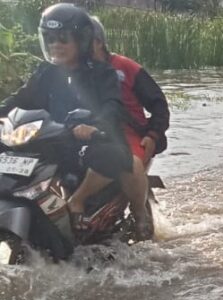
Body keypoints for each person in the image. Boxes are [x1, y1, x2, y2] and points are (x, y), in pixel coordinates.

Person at [0, 3, 137, 238]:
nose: (55, 45)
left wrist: (93, 125)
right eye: (50, 39)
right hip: (50, 139)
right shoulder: (46, 72)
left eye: (63, 39)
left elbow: (112, 107)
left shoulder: (101, 73)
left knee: (113, 154)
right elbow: (20, 99)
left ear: (81, 40)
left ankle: (78, 201)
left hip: (87, 140)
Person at [89, 16, 170, 239]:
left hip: (130, 134)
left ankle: (140, 213)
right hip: (91, 132)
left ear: (97, 41)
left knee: (129, 163)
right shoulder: (74, 71)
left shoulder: (126, 67)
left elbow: (159, 104)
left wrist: (153, 135)